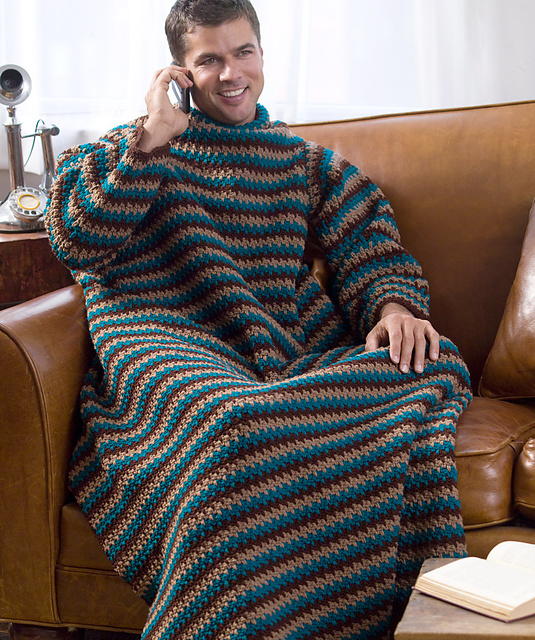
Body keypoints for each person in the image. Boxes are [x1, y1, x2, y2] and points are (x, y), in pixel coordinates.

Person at [45, 1, 472, 638]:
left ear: (263, 54)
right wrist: (152, 139)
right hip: (162, 342)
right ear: (180, 72)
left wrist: (393, 306)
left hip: (285, 354)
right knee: (232, 420)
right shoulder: (128, 147)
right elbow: (76, 239)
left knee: (426, 362)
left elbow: (370, 244)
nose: (231, 73)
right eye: (209, 60)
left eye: (243, 52)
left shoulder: (307, 164)